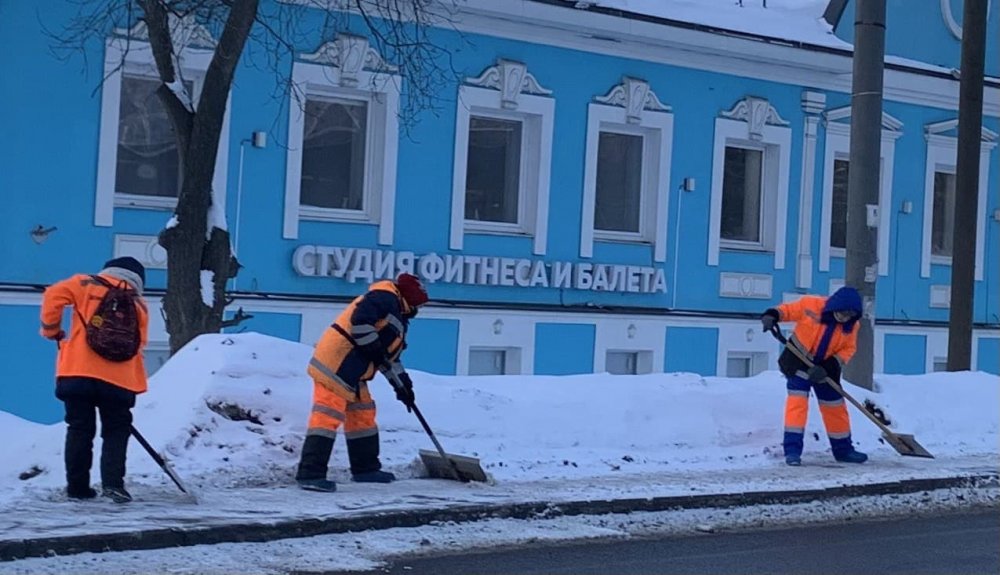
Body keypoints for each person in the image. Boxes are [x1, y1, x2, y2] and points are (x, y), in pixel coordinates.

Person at [295, 273, 429, 492]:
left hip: (354, 370)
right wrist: (374, 348)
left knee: (363, 415)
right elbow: (361, 324)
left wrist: (403, 386)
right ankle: (310, 474)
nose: (420, 309)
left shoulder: (398, 313)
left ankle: (366, 469)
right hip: (336, 362)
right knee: (327, 417)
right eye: (419, 303)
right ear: (410, 296)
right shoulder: (384, 297)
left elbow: (388, 358)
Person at [39, 256, 149, 502]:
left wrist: (51, 331)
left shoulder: (84, 284)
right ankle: (113, 485)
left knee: (79, 429)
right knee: (115, 432)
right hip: (120, 381)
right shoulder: (139, 304)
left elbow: (53, 295)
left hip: (78, 373)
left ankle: (78, 489)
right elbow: (138, 345)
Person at [761, 286, 867, 466]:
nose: (844, 317)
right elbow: (788, 311)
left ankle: (844, 450)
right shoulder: (812, 305)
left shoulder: (852, 326)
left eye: (849, 315)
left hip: (825, 368)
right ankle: (792, 452)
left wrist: (830, 366)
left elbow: (848, 349)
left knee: (835, 407)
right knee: (797, 405)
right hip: (798, 361)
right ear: (835, 306)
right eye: (842, 313)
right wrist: (772, 315)